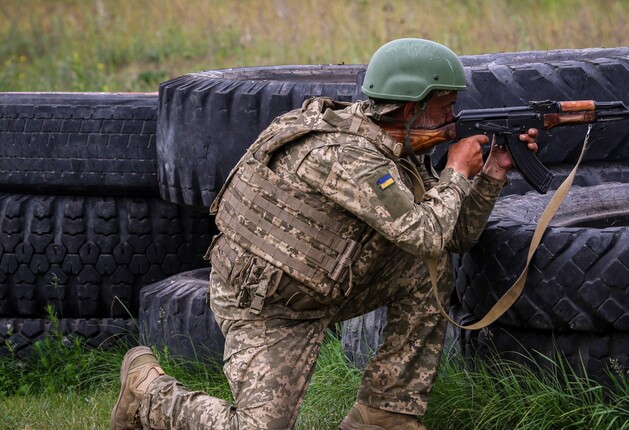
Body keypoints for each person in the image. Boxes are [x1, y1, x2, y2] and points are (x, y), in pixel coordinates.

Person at [111, 38, 538, 430]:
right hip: (268, 307)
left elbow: (452, 238)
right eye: (445, 108)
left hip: (329, 284)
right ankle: (147, 394)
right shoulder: (344, 155)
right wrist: (457, 171)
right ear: (411, 109)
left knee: (428, 266)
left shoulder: (399, 145)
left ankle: (385, 414)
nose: (452, 119)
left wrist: (492, 174)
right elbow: (425, 232)